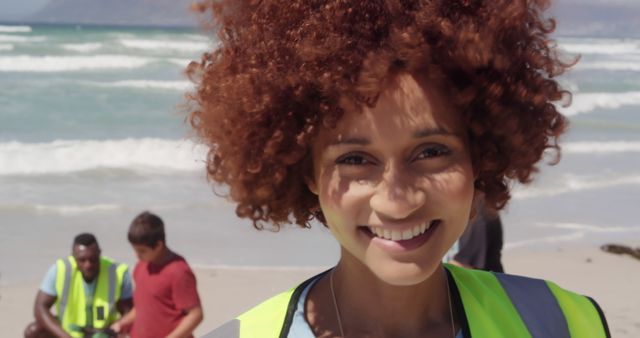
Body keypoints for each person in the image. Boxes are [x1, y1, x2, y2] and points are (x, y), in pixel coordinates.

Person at [188, 1, 610, 337]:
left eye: (430, 152)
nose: (396, 200)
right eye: (355, 159)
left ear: (478, 154)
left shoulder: (564, 323)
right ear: (308, 173)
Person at [110, 211, 203, 338]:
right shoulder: (141, 266)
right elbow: (142, 308)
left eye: (142, 251)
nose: (137, 255)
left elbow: (195, 314)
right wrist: (122, 323)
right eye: (135, 250)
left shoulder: (179, 272)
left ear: (158, 245)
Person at [24, 233, 132, 338]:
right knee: (33, 331)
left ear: (99, 254)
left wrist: (111, 330)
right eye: (82, 260)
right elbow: (40, 308)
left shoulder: (118, 272)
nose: (88, 265)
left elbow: (128, 311)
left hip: (104, 332)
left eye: (93, 259)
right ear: (73, 257)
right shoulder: (59, 270)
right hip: (69, 332)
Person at [449, 200, 505, 272]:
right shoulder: (484, 206)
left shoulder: (478, 213)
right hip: (491, 277)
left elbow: (462, 264)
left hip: (484, 279)